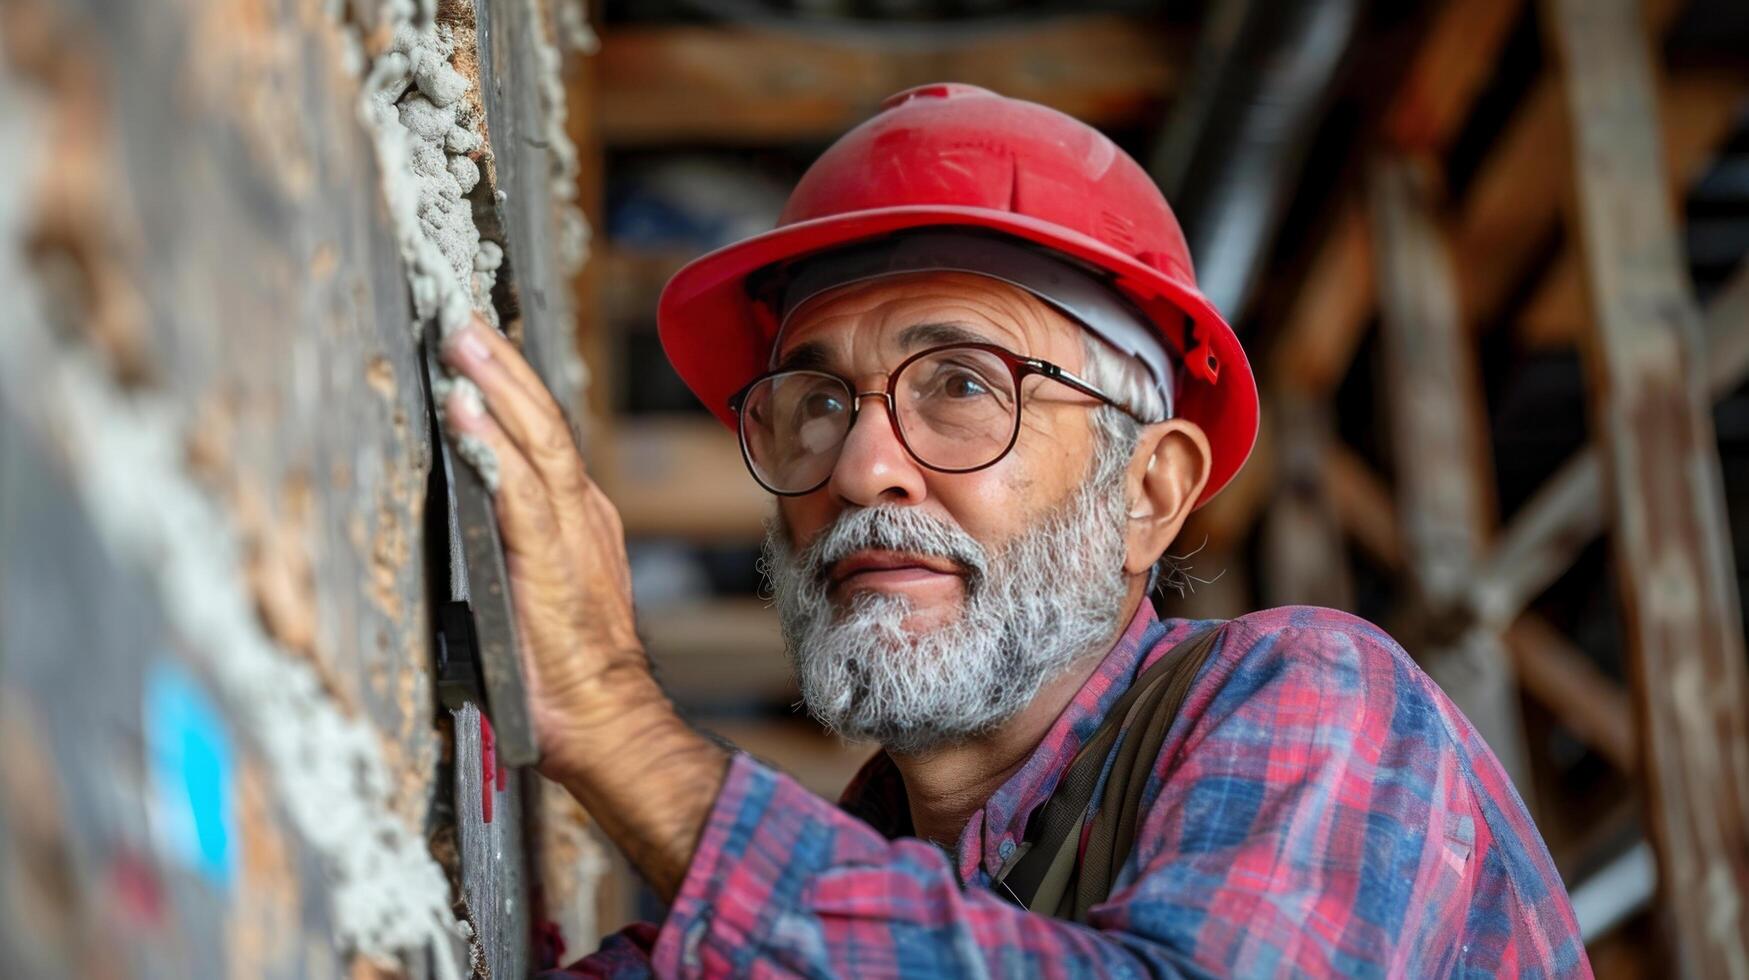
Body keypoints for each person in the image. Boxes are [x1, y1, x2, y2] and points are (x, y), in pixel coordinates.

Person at [437, 83, 1589, 977]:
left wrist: (615, 720)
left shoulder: (1320, 697)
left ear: (1146, 491)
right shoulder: (852, 895)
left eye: (963, 385)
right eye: (816, 400)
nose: (862, 465)